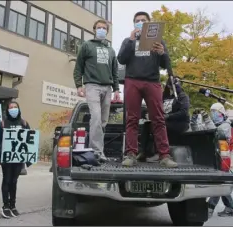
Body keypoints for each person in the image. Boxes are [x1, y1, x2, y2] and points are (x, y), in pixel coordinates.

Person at [117, 11, 178, 168]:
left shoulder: (158, 41)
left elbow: (166, 65)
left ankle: (164, 155)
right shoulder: (128, 41)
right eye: (137, 21)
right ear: (134, 24)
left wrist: (162, 53)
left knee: (158, 118)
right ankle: (130, 154)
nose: (140, 23)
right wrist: (131, 40)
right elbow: (121, 59)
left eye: (143, 20)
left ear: (150, 24)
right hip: (133, 81)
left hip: (152, 82)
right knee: (132, 118)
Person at [73, 19, 120, 161]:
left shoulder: (111, 50)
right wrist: (78, 85)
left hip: (108, 87)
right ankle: (96, 152)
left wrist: (116, 89)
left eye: (104, 28)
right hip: (92, 85)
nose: (101, 30)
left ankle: (98, 150)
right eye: (98, 27)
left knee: (103, 121)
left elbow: (115, 72)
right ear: (94, 30)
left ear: (107, 31)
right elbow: (78, 67)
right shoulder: (87, 46)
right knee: (96, 118)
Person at [138, 78, 190, 161]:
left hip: (179, 123)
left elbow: (184, 112)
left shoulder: (182, 96)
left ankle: (159, 153)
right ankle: (143, 152)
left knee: (158, 125)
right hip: (164, 121)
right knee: (147, 125)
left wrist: (168, 116)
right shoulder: (164, 96)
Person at [198, 103, 233, 218]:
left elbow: (215, 131)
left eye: (215, 111)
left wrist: (207, 120)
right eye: (211, 111)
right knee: (221, 183)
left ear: (222, 113)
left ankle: (210, 208)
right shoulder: (219, 124)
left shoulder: (225, 126)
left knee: (219, 183)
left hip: (224, 160)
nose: (213, 114)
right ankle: (230, 207)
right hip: (217, 158)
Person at [0, 101, 31, 218]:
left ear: (19, 109)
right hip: (7, 158)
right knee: (7, 180)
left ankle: (13, 205)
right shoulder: (3, 123)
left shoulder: (23, 123)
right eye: (11, 107)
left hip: (18, 159)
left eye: (15, 107)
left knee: (14, 181)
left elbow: (29, 139)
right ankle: (5, 205)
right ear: (7, 110)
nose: (13, 109)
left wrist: (27, 159)